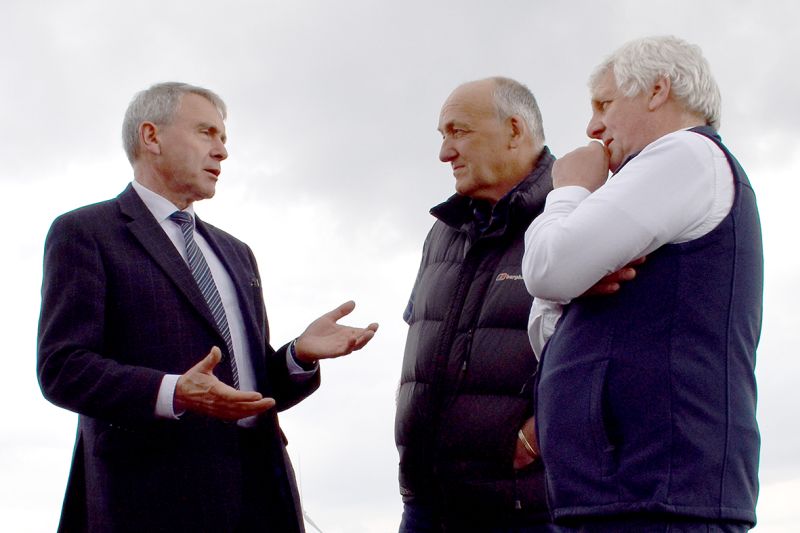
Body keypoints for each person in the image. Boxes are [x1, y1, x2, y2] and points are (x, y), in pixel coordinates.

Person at [37, 82, 378, 533]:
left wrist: (298, 356)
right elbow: (64, 368)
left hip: (261, 499)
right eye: (206, 133)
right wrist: (174, 390)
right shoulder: (86, 232)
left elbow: (247, 389)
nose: (222, 151)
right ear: (151, 137)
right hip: (151, 504)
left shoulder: (237, 253)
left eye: (223, 138)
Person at [522, 36, 763, 531]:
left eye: (604, 104)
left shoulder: (687, 155)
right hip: (619, 497)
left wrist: (567, 191)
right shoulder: (665, 181)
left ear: (657, 90)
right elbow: (548, 319)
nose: (592, 127)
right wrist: (568, 280)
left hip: (658, 501)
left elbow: (547, 268)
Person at [395, 77, 556, 532]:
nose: (445, 153)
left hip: (527, 509)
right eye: (442, 136)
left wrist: (544, 431)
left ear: (514, 130)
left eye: (458, 132)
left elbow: (618, 351)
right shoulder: (442, 231)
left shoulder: (576, 214)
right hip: (426, 504)